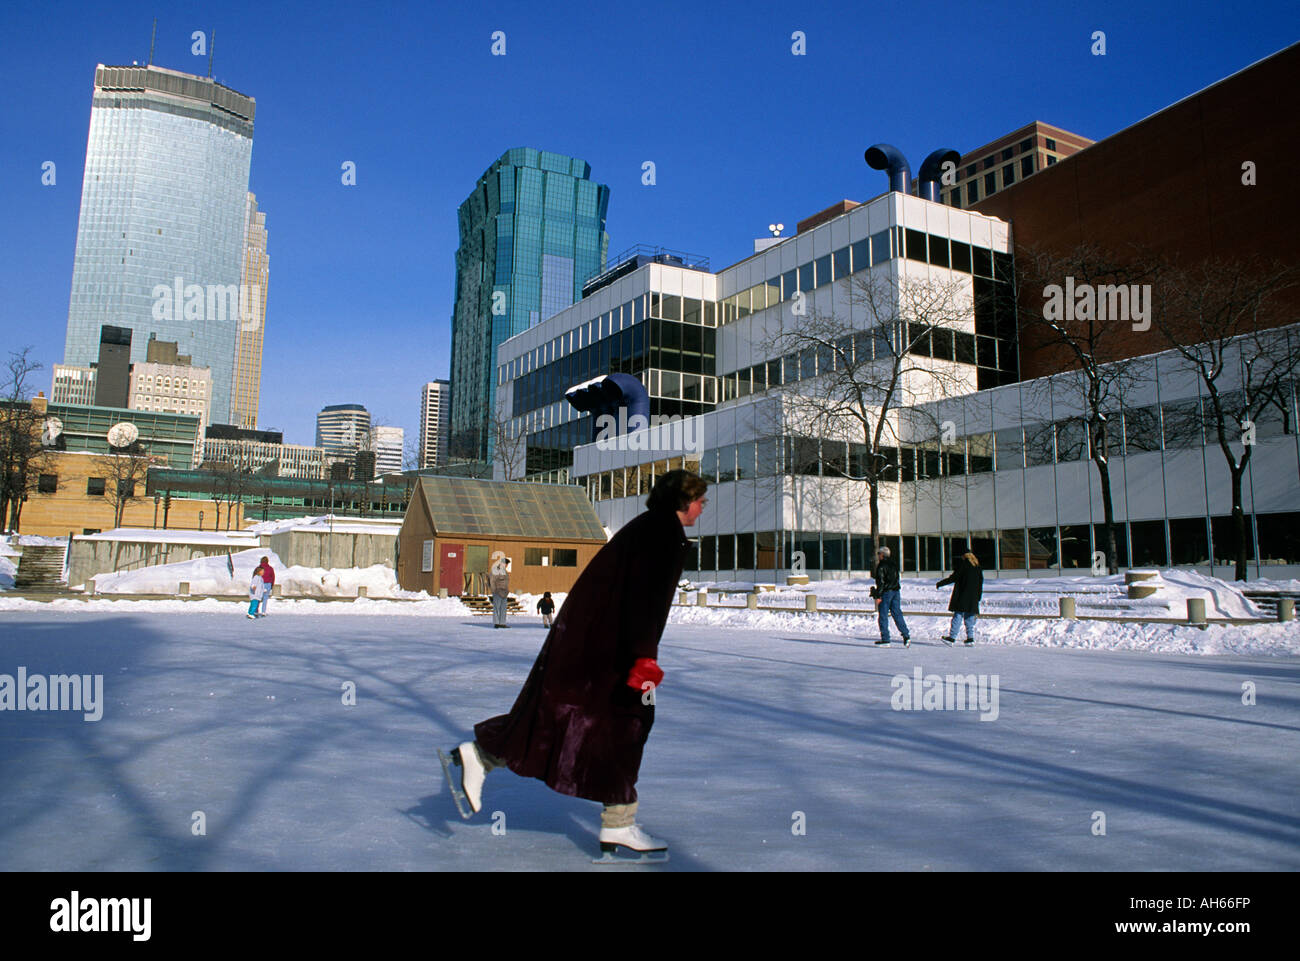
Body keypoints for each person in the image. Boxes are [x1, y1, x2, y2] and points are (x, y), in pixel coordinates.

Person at [445, 468, 707, 861]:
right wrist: (644, 658)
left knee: (568, 717)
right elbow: (643, 601)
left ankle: (482, 756)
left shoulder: (646, 528)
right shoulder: (663, 535)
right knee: (628, 724)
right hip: (610, 651)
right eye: (700, 500)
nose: (703, 507)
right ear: (683, 502)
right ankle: (619, 824)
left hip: (591, 643)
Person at [938, 552, 983, 645]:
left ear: (964, 556)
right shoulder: (977, 567)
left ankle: (952, 637)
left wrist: (940, 583)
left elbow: (954, 577)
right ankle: (970, 638)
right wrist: (978, 596)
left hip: (962, 595)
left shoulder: (963, 565)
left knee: (958, 615)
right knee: (969, 616)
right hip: (973, 596)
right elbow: (980, 582)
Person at [870, 545, 910, 647]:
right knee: (897, 613)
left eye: (879, 553)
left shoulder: (881, 565)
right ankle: (906, 635)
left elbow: (881, 582)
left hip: (886, 593)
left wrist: (878, 595)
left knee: (883, 615)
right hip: (896, 592)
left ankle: (885, 639)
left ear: (882, 555)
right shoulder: (894, 564)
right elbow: (896, 578)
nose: (878, 555)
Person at [489, 553, 510, 628]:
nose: (506, 565)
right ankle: (497, 623)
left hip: (504, 592)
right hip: (497, 591)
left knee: (503, 608)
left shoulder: (505, 572)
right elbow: (491, 581)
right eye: (506, 564)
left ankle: (502, 623)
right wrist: (494, 591)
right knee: (497, 608)